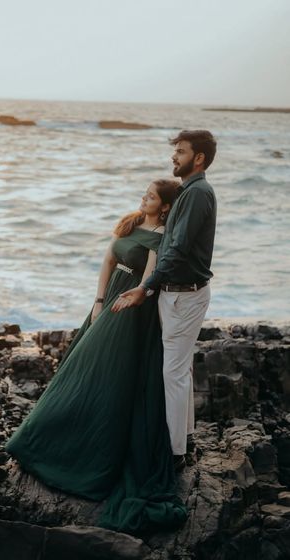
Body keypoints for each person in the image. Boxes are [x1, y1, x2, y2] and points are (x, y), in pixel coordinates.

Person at [4, 178, 188, 535]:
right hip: (108, 302)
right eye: (145, 193)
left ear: (164, 206)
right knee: (79, 370)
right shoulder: (131, 222)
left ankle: (84, 453)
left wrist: (119, 306)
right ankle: (44, 438)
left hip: (130, 310)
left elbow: (146, 284)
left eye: (151, 196)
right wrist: (98, 301)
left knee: (100, 374)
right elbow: (108, 258)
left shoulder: (160, 238)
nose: (143, 197)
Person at [112, 130, 217, 473]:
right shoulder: (189, 192)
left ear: (198, 158)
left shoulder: (198, 193)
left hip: (184, 295)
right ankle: (184, 440)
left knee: (173, 373)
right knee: (180, 369)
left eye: (181, 151)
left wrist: (146, 287)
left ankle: (174, 455)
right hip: (178, 294)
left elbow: (178, 248)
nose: (174, 157)